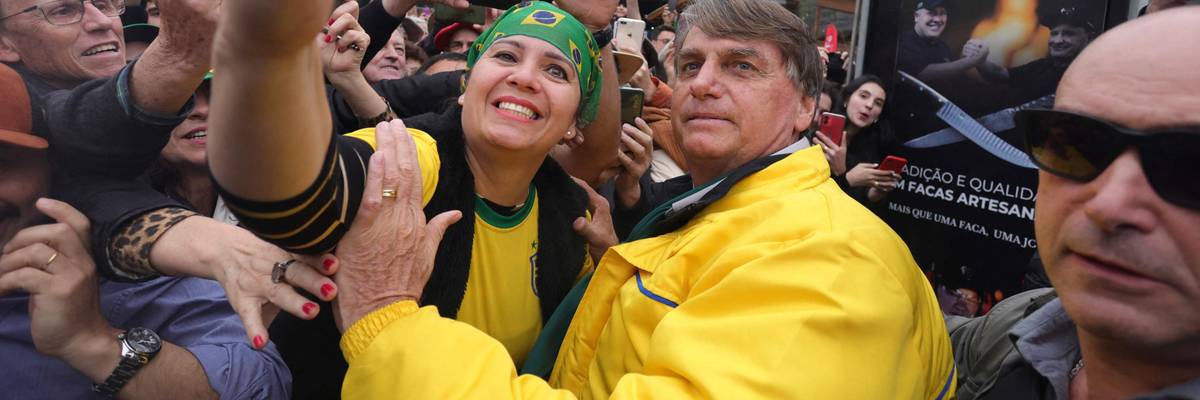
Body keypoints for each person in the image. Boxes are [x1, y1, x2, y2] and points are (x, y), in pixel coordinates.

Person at [323, 0, 957, 397]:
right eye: (689, 65)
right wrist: (612, 275)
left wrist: (388, 324)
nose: (703, 85)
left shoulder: (828, 257)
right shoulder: (725, 207)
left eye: (740, 67)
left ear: (803, 108)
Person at [208, 0, 621, 397]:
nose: (525, 78)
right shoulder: (414, 158)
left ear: (573, 125)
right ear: (466, 87)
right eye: (507, 56)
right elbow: (296, 191)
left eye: (556, 70)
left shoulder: (573, 218)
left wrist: (615, 274)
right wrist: (266, 55)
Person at [948, 8, 1200, 399]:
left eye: (1190, 166)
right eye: (1073, 144)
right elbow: (925, 335)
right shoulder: (1023, 320)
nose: (1109, 205)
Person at [0, 63, 291, 400]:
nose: (202, 112)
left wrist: (93, 343)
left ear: (52, 168)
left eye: (1, 162)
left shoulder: (123, 270)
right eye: (184, 102)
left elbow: (259, 386)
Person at [976, 3, 1098, 104]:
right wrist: (978, 59)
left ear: (1089, 38)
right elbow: (999, 74)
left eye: (1069, 34)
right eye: (1054, 33)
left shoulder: (1095, 75)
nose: (1057, 41)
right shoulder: (1042, 66)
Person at [813, 74, 901, 206]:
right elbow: (814, 198)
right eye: (863, 96)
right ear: (847, 99)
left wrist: (874, 194)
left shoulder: (873, 147)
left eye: (878, 103)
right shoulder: (822, 133)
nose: (869, 105)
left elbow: (855, 204)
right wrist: (848, 178)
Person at [896, 0, 987, 84]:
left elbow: (951, 81)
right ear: (916, 16)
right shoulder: (902, 42)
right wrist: (972, 61)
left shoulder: (943, 47)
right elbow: (922, 74)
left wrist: (967, 55)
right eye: (932, 13)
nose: (938, 19)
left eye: (942, 13)